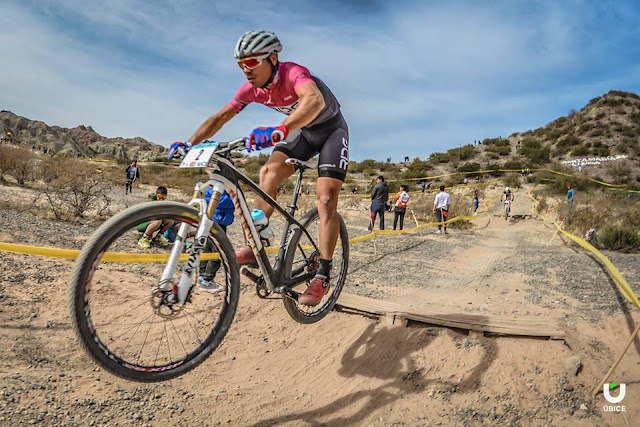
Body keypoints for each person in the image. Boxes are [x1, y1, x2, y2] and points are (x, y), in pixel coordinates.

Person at [171, 31, 349, 306]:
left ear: (273, 57)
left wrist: (281, 129)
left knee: (326, 198)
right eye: (241, 65)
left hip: (331, 131)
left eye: (252, 63)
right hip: (302, 133)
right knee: (268, 172)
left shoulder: (294, 73)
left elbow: (314, 101)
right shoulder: (250, 90)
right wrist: (188, 143)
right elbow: (220, 117)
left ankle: (323, 274)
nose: (246, 70)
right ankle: (258, 242)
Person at [198, 188, 236, 293]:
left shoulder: (211, 190)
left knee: (207, 250)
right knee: (217, 252)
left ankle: (202, 276)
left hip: (212, 223)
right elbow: (222, 202)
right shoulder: (221, 192)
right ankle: (207, 280)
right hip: (218, 224)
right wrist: (234, 199)